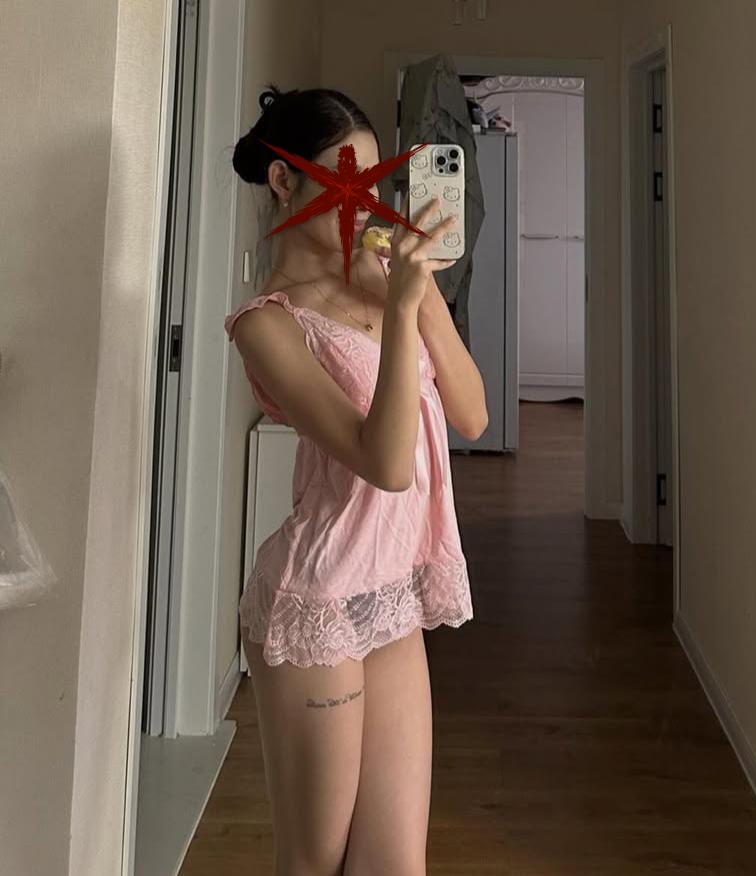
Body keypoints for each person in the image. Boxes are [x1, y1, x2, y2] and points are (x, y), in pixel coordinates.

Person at [223, 84, 485, 876]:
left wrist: (421, 297)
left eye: (376, 181)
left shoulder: (382, 279)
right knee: (315, 861)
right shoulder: (268, 322)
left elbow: (471, 415)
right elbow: (385, 463)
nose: (366, 201)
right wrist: (400, 311)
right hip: (318, 599)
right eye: (347, 178)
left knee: (395, 865)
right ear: (284, 180)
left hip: (391, 591)